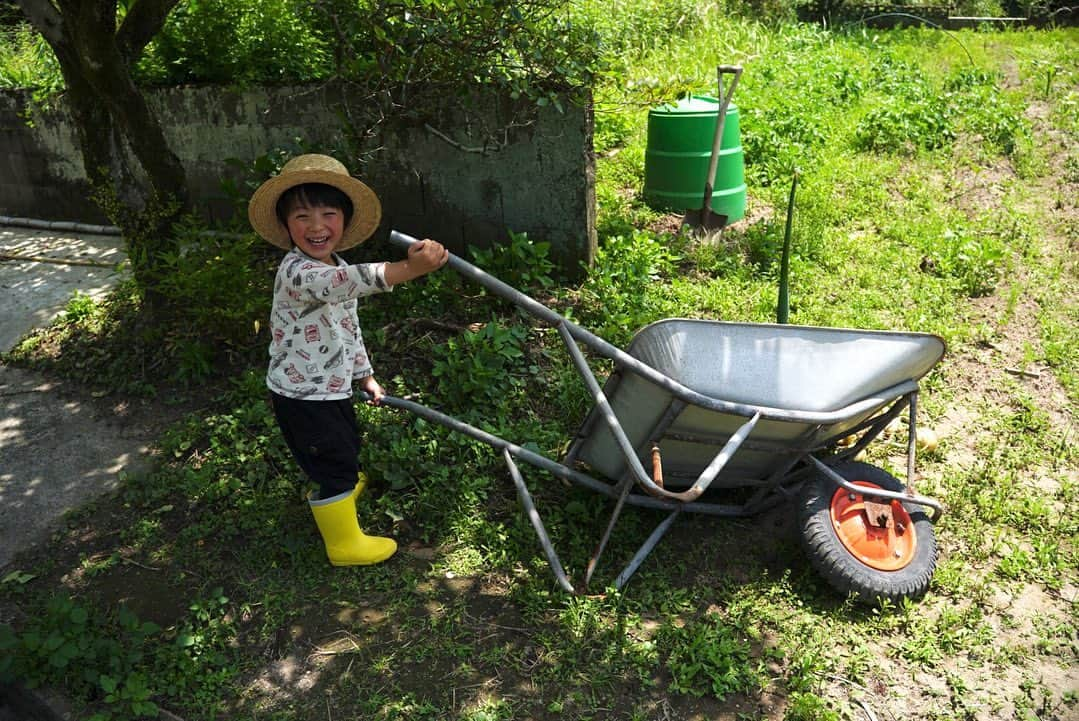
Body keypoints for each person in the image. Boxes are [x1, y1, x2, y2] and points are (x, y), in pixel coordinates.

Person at [248, 153, 448, 567]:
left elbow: (347, 329)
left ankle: (334, 491)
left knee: (343, 445)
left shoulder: (333, 262)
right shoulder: (299, 272)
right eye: (302, 216)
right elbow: (348, 282)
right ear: (286, 225)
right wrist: (409, 268)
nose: (317, 226)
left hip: (330, 386)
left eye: (328, 213)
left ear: (345, 219)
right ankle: (343, 544)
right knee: (333, 460)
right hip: (303, 395)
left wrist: (365, 375)